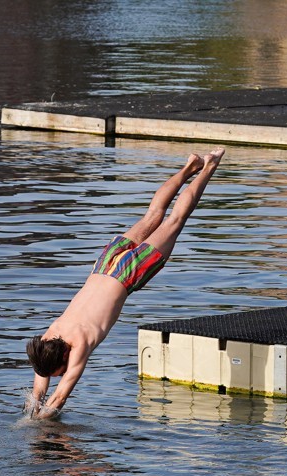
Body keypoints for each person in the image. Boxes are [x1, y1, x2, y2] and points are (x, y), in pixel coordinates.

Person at [26, 149, 225, 418]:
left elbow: (58, 398)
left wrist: (33, 428)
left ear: (63, 359)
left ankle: (209, 167)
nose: (54, 377)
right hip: (104, 265)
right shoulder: (50, 336)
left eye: (58, 372)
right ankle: (189, 167)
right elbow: (40, 385)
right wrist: (29, 410)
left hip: (126, 275)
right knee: (152, 215)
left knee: (175, 221)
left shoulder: (80, 344)